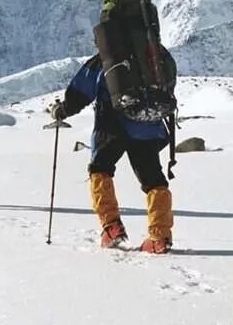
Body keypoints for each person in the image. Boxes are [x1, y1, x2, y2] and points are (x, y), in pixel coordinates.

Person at [49, 58, 175, 254]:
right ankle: (160, 237)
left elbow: (80, 91)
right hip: (148, 126)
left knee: (100, 170)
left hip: (111, 126)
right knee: (154, 180)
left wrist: (62, 110)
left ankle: (112, 228)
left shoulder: (106, 56)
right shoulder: (155, 52)